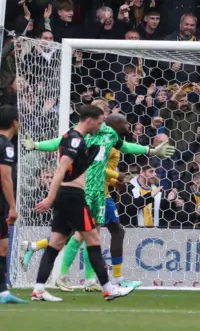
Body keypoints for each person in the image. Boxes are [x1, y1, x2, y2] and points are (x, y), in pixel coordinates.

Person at [20, 111, 175, 291]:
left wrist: (151, 150)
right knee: (79, 234)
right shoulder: (82, 134)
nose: (127, 125)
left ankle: (89, 280)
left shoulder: (110, 136)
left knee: (93, 235)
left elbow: (125, 146)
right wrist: (37, 145)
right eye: (124, 122)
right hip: (83, 190)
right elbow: (59, 142)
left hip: (101, 193)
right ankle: (62, 274)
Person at [30, 105, 135, 302]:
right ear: (90, 120)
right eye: (100, 121)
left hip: (67, 196)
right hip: (73, 197)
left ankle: (38, 289)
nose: (101, 125)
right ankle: (108, 289)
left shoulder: (71, 136)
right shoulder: (76, 140)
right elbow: (60, 170)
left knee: (56, 243)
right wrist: (49, 198)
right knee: (93, 240)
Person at [0, 106, 27, 304]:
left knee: (3, 247)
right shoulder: (6, 146)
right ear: (15, 122)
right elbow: (5, 177)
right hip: (1, 204)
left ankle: (2, 292)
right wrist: (12, 206)